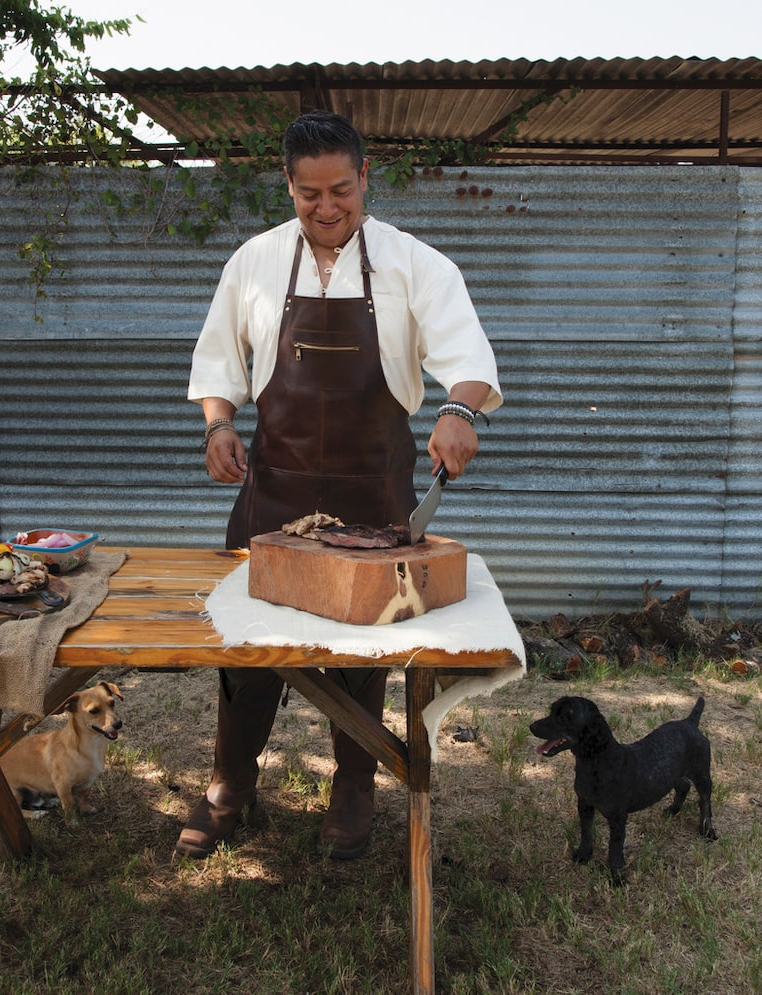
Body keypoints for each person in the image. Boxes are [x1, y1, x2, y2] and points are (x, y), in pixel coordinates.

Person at [178, 110, 502, 861]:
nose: (327, 208)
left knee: (362, 659)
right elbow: (217, 364)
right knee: (246, 651)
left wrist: (457, 408)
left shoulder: (417, 264)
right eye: (310, 193)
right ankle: (231, 781)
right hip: (276, 499)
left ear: (366, 179)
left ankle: (354, 782)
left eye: (342, 191)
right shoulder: (253, 264)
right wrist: (218, 426)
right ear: (287, 185)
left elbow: (468, 355)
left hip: (375, 501)